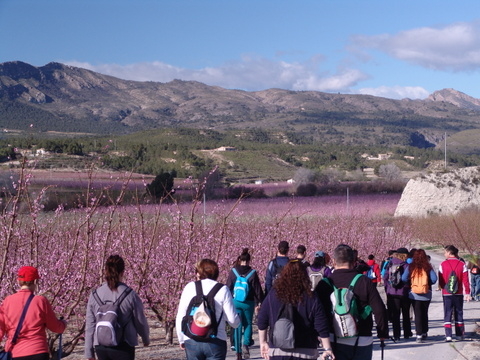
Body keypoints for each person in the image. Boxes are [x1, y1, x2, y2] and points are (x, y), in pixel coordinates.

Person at [316, 244, 388, 360]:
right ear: (354, 260)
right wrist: (382, 333)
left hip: (334, 338)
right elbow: (379, 309)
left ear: (334, 261)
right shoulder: (364, 281)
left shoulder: (325, 283)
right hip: (362, 339)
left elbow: (317, 313)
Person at [257, 259, 334, 360]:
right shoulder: (311, 297)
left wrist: (263, 342)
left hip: (278, 351)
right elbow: (321, 324)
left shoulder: (273, 295)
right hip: (306, 351)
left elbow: (262, 320)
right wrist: (327, 348)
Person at [85, 255, 150, 360]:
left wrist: (89, 352)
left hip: (101, 346)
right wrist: (145, 338)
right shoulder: (130, 294)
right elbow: (140, 320)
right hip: (124, 345)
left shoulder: (95, 294)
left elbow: (90, 325)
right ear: (122, 272)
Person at [176, 258, 240, 360]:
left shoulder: (189, 287)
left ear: (199, 272)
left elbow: (181, 315)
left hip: (191, 339)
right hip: (216, 340)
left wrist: (181, 338)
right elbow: (233, 321)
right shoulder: (223, 289)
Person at [0, 266, 67, 360]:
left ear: (19, 281)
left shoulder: (7, 302)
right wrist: (63, 324)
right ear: (35, 281)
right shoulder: (40, 301)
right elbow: (55, 327)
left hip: (16, 353)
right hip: (38, 351)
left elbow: (0, 330)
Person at [226, 248, 264, 359]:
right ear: (249, 261)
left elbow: (228, 287)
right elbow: (257, 290)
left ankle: (238, 352)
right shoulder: (252, 273)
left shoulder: (233, 272)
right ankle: (246, 344)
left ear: (240, 259)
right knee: (247, 324)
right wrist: (259, 302)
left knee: (237, 324)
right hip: (248, 303)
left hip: (235, 302)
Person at [401, 249, 437, 343]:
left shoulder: (411, 266)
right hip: (426, 293)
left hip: (414, 294)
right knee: (424, 313)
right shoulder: (428, 267)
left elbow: (403, 278)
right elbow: (434, 279)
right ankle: (424, 332)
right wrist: (428, 284)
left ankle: (418, 334)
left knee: (418, 314)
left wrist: (410, 283)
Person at [438, 245, 471, 341]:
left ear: (449, 252)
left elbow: (441, 280)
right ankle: (459, 334)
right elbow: (466, 280)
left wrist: (443, 288)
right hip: (459, 292)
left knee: (447, 313)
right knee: (459, 312)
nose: (444, 254)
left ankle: (448, 335)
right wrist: (467, 293)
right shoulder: (462, 264)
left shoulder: (443, 264)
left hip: (446, 293)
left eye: (445, 252)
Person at [382, 247, 412, 341]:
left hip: (392, 292)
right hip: (404, 292)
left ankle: (396, 335)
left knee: (396, 315)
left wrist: (388, 289)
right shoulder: (406, 265)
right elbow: (406, 278)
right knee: (406, 313)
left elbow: (385, 276)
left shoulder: (390, 263)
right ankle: (407, 333)